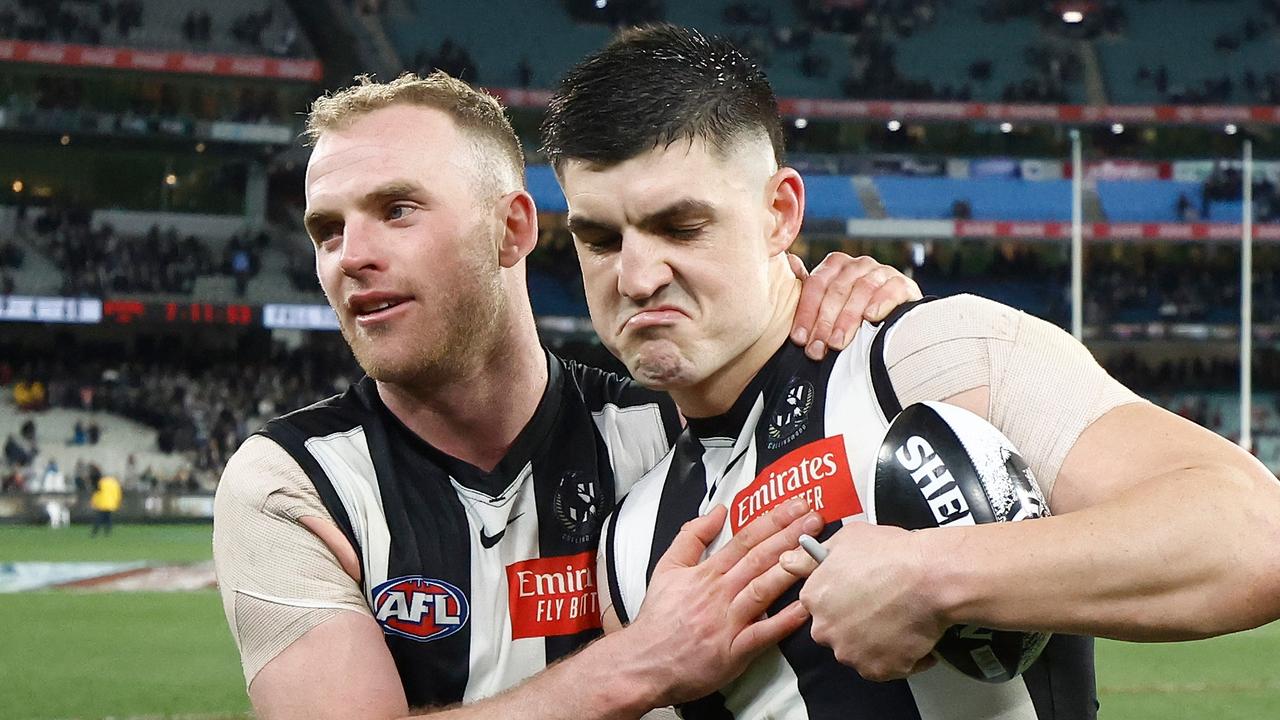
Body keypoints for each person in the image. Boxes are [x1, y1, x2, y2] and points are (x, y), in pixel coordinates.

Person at [541, 24, 1280, 720]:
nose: (636, 278)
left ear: (780, 213)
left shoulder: (931, 358)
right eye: (600, 239)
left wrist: (934, 575)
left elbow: (1253, 532)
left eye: (681, 226)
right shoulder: (628, 542)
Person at [212, 71, 922, 720]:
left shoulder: (666, 432)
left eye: (397, 210)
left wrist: (861, 314)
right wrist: (640, 664)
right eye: (326, 230)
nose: (350, 257)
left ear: (513, 228)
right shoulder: (289, 483)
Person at [89, 466, 122, 537]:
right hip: (111, 503)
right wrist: (117, 502)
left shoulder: (101, 482)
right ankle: (107, 532)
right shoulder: (115, 483)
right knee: (108, 518)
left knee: (99, 518)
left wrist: (93, 502)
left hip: (102, 503)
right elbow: (118, 494)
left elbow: (96, 493)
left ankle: (95, 532)